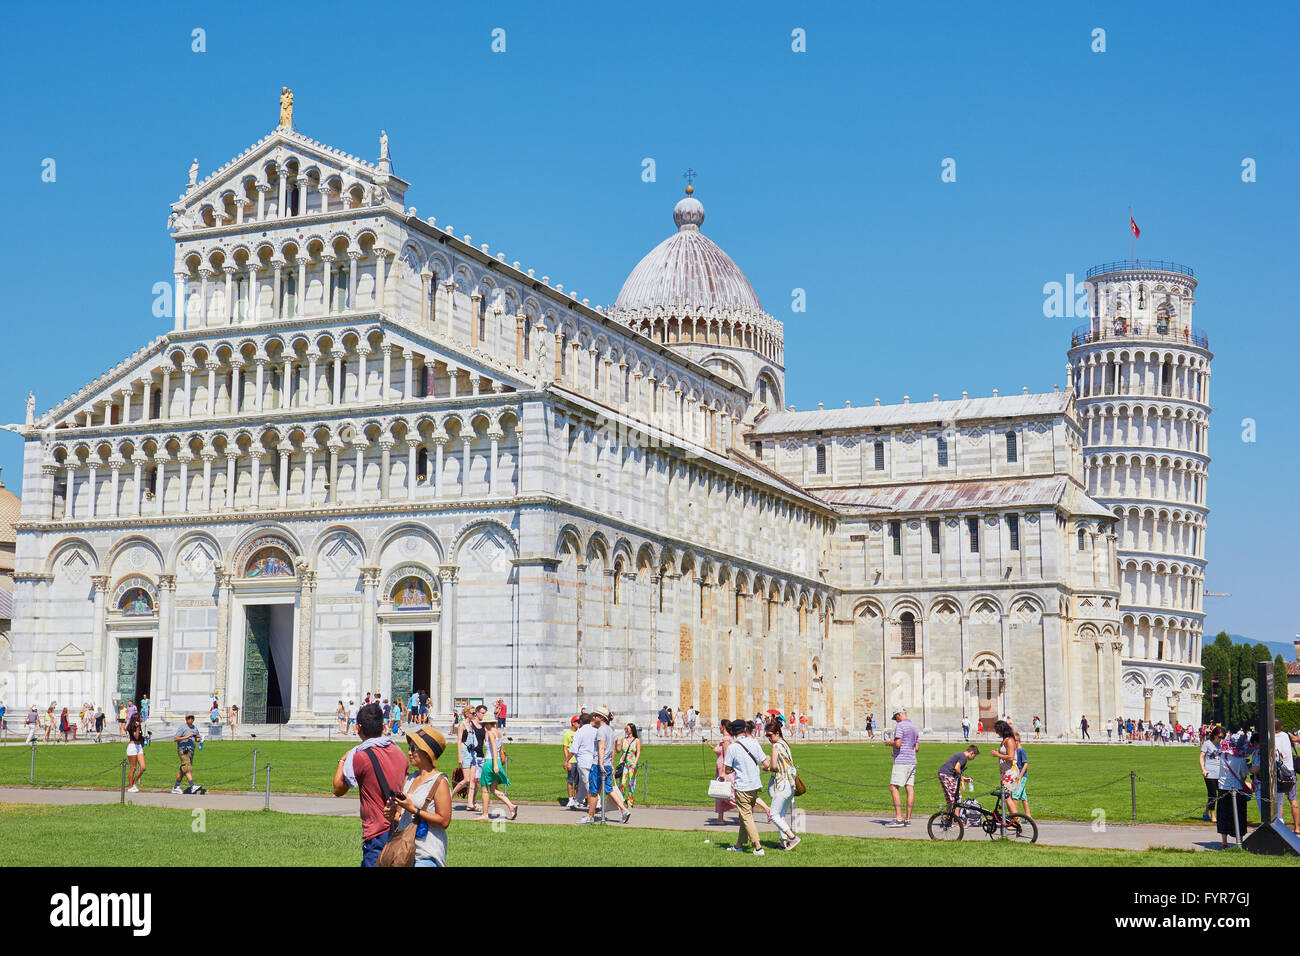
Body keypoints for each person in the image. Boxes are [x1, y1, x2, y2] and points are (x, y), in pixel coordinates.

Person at [333, 701, 410, 866]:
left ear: (358, 728)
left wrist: (342, 760)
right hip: (398, 828)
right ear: (383, 726)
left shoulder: (360, 756)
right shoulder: (399, 753)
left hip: (376, 831)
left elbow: (338, 789)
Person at [382, 726, 453, 867]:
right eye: (409, 747)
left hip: (426, 855)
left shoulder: (439, 782)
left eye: (414, 748)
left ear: (427, 753)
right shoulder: (409, 779)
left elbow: (444, 821)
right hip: (402, 853)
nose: (409, 752)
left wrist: (414, 810)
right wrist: (391, 815)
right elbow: (401, 818)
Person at [723, 719, 765, 855]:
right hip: (755, 785)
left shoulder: (732, 747)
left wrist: (732, 769)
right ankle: (739, 845)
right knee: (744, 816)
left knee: (746, 816)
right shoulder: (754, 742)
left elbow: (727, 769)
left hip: (742, 786)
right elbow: (763, 760)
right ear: (745, 730)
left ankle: (758, 847)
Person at [583, 706, 630, 824]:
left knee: (593, 791)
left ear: (601, 718)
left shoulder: (601, 731)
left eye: (596, 716)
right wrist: (611, 764)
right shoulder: (610, 730)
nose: (593, 717)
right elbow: (613, 750)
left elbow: (601, 747)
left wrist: (600, 763)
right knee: (609, 789)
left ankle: (590, 816)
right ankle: (624, 810)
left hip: (599, 764)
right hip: (608, 764)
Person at [762, 718, 800, 850]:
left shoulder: (776, 745)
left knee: (773, 815)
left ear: (777, 733)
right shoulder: (785, 744)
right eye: (767, 736)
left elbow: (773, 766)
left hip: (782, 784)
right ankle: (783, 843)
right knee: (781, 815)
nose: (769, 738)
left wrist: (766, 766)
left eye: (770, 735)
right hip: (791, 784)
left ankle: (792, 838)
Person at [477, 713, 518, 821]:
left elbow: (494, 749)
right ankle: (511, 806)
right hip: (497, 761)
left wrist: (494, 764)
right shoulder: (498, 732)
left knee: (484, 787)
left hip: (490, 761)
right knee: (494, 789)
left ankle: (485, 814)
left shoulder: (491, 733)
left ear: (487, 723)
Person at [1216, 730, 1251, 848]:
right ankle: (1239, 840)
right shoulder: (1241, 760)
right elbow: (1243, 776)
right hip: (1237, 788)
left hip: (1223, 787)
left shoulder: (1223, 757)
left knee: (1223, 815)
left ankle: (1224, 842)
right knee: (1240, 815)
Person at [886, 707, 919, 827]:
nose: (896, 720)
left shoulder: (900, 726)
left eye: (896, 718)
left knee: (893, 787)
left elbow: (898, 743)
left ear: (899, 715)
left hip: (902, 761)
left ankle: (898, 818)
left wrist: (890, 743)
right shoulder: (914, 727)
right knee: (909, 789)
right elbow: (916, 748)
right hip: (912, 760)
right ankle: (908, 819)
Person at [569, 712, 598, 824]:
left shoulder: (579, 732)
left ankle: (597, 803)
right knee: (582, 783)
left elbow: (573, 749)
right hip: (594, 760)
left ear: (581, 722)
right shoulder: (595, 730)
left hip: (583, 761)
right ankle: (577, 800)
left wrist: (567, 761)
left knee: (587, 784)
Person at [991, 720, 1022, 817]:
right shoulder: (1005, 740)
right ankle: (1013, 819)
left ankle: (1015, 820)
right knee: (1009, 797)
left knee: (1006, 796)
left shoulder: (1010, 740)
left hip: (1010, 772)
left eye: (997, 730)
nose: (997, 733)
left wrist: (997, 754)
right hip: (1005, 772)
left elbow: (1011, 757)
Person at [1274, 718, 1299, 832]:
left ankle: (1280, 824)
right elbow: (1297, 739)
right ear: (1282, 727)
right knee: (1293, 800)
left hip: (1278, 772)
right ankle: (1297, 827)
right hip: (1290, 771)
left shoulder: (1270, 738)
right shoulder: (1287, 735)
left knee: (1279, 801)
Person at [171, 715, 205, 795]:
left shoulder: (194, 728)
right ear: (186, 719)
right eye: (189, 718)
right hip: (183, 750)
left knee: (183, 769)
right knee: (187, 767)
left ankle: (176, 787)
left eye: (192, 718)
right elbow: (175, 739)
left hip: (191, 751)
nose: (191, 719)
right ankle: (193, 786)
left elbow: (196, 738)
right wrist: (187, 737)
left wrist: (201, 739)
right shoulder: (182, 727)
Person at [712, 719, 736, 824]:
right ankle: (720, 818)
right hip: (721, 769)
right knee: (720, 793)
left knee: (729, 794)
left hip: (724, 769)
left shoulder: (726, 739)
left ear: (723, 727)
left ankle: (746, 812)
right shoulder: (726, 739)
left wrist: (723, 772)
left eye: (720, 726)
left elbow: (726, 756)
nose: (719, 728)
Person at [1199, 725, 1224, 823]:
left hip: (1220, 773)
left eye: (1222, 737)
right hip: (1209, 773)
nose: (1220, 739)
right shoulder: (1207, 744)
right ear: (1214, 735)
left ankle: (1205, 812)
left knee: (1220, 794)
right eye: (1219, 737)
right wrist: (1203, 770)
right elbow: (1201, 757)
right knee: (1213, 794)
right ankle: (1213, 815)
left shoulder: (1222, 745)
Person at [616, 723, 641, 808]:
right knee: (622, 783)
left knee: (631, 783)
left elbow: (638, 753)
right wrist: (616, 743)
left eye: (628, 729)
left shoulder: (637, 740)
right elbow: (618, 750)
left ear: (632, 730)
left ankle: (630, 801)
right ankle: (621, 801)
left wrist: (635, 763)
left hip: (632, 763)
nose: (626, 730)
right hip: (624, 763)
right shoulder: (623, 739)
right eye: (625, 729)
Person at [1010, 731, 1031, 818]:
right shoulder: (1015, 751)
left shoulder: (1021, 750)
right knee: (1023, 797)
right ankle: (1028, 815)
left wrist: (1020, 776)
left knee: (1014, 796)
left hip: (1021, 777)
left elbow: (1025, 764)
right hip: (1017, 776)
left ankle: (1016, 817)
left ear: (1017, 741)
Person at [562, 715, 582, 808]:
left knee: (578, 782)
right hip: (572, 760)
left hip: (579, 760)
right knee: (570, 780)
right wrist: (567, 761)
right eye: (577, 722)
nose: (579, 723)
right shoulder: (567, 734)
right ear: (573, 723)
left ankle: (577, 799)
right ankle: (570, 799)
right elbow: (565, 748)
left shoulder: (580, 733)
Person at [125, 712, 147, 792]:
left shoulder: (139, 726)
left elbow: (139, 737)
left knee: (143, 767)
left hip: (139, 747)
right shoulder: (133, 726)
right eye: (140, 717)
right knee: (133, 768)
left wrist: (144, 738)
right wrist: (137, 728)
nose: (142, 718)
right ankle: (130, 786)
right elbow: (136, 736)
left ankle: (134, 783)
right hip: (132, 747)